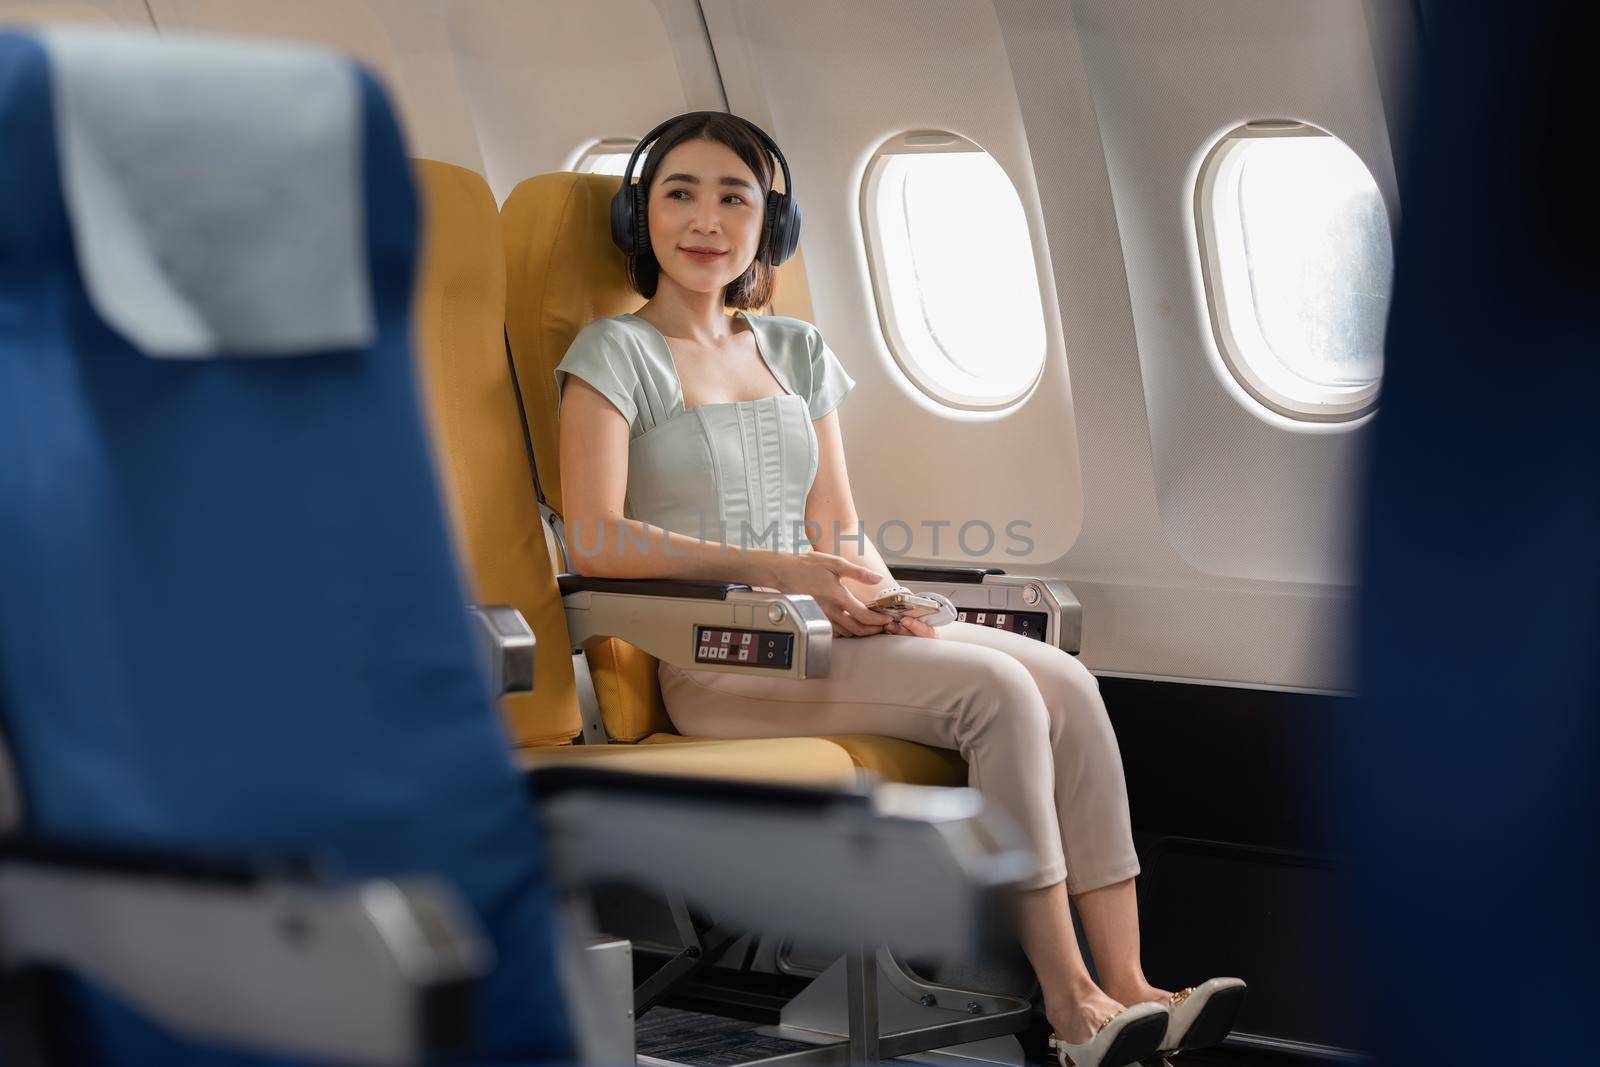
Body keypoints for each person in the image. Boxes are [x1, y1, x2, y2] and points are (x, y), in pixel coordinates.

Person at [553, 110, 1242, 1067]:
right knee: (995, 692)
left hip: (824, 630)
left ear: (770, 228)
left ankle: (1129, 985)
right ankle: (1068, 1000)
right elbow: (597, 540)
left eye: (734, 198)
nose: (706, 220)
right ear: (642, 218)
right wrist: (781, 571)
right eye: (680, 193)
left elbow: (838, 523)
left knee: (1066, 684)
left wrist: (882, 596)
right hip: (717, 656)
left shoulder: (792, 349)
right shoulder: (610, 354)